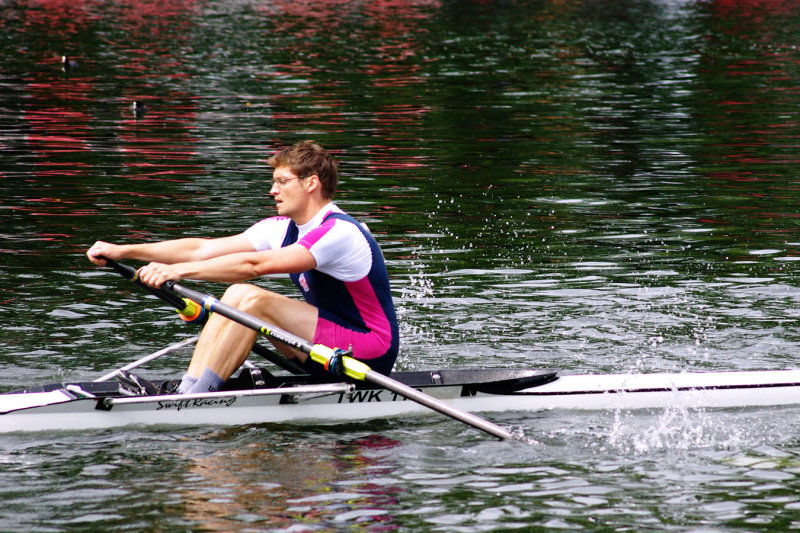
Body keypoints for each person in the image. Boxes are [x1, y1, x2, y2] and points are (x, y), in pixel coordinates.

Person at [87, 141, 399, 393]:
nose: (272, 190)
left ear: (311, 184)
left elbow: (254, 265)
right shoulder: (281, 228)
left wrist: (178, 271)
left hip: (370, 351)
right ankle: (190, 389)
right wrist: (123, 250)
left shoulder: (338, 232)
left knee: (254, 300)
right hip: (327, 341)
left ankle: (194, 398)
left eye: (281, 181)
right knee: (238, 294)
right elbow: (202, 248)